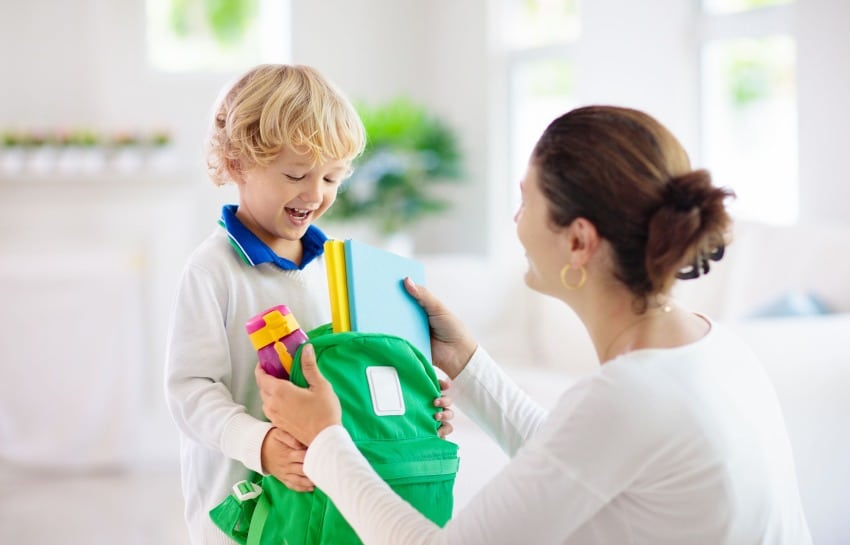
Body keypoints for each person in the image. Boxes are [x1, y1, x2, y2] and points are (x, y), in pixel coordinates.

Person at [255, 105, 813, 544]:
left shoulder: (626, 394)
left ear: (578, 240)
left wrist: (325, 438)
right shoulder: (713, 349)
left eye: (526, 203)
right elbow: (576, 459)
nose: (516, 223)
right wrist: (466, 363)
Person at [164, 64, 454, 545]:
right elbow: (189, 390)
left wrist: (417, 406)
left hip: (324, 508)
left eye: (332, 177)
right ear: (236, 164)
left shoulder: (341, 269)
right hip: (239, 513)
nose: (315, 194)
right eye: (296, 174)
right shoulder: (211, 270)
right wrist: (257, 443)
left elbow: (356, 375)